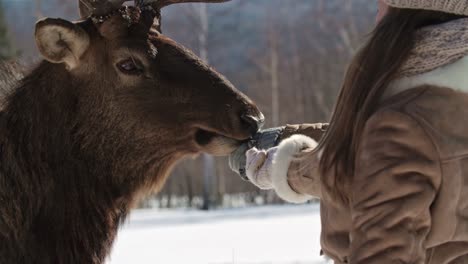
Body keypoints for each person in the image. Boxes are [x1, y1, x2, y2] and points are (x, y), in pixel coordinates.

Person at [229, 0, 468, 263]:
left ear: (412, 14)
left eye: (381, 8)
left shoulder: (404, 122)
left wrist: (281, 167)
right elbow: (373, 164)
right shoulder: (441, 106)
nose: (377, 19)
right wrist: (285, 156)